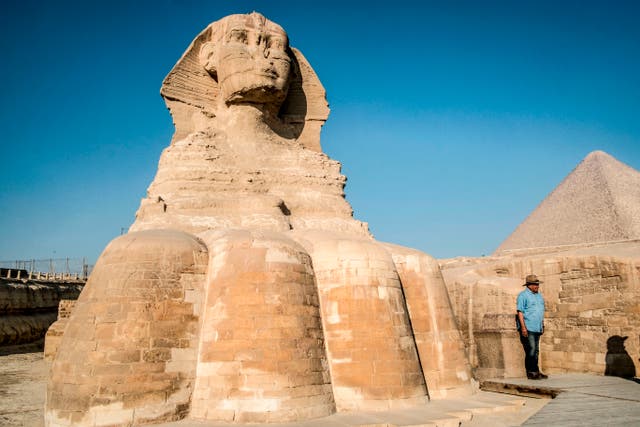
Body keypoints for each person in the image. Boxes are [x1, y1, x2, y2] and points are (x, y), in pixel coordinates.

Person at [516, 274, 548, 380]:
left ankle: (536, 371)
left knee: (536, 350)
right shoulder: (523, 295)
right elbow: (520, 312)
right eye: (535, 284)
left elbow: (540, 311)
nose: (537, 286)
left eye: (537, 284)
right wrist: (523, 327)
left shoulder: (539, 296)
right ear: (529, 285)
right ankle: (531, 372)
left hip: (537, 326)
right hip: (528, 326)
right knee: (531, 349)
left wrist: (542, 324)